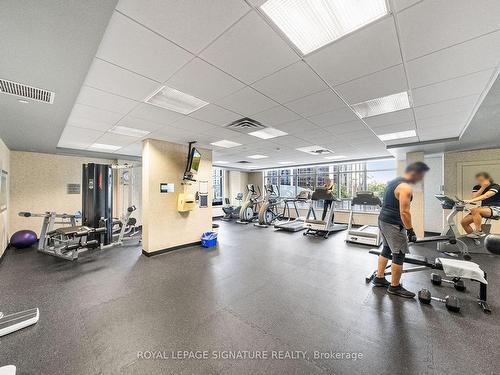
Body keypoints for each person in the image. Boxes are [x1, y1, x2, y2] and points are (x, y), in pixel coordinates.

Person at [372, 161, 430, 298]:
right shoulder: (405, 187)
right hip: (393, 223)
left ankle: (379, 278)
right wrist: (410, 230)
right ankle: (395, 287)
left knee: (386, 249)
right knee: (399, 254)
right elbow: (404, 212)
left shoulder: (393, 183)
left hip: (383, 220)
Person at [460, 172, 500, 238]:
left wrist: (470, 201)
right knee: (464, 222)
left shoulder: (496, 186)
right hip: (483, 208)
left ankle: (479, 232)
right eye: (479, 181)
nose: (480, 182)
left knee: (475, 210)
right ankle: (477, 239)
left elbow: (486, 196)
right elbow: (474, 197)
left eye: (482, 180)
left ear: (489, 179)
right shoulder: (477, 187)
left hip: (496, 208)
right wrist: (483, 187)